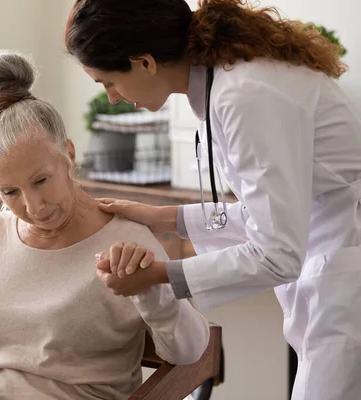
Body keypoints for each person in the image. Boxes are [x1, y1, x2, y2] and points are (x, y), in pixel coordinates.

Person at [64, 0, 361, 399]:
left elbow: (276, 253)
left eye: (107, 82)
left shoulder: (244, 96)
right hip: (332, 249)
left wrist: (161, 275)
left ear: (145, 62)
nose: (113, 97)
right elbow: (270, 216)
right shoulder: (227, 86)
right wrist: (161, 217)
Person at [0, 50, 210, 400]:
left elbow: (192, 351)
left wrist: (150, 291)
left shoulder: (127, 240)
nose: (33, 206)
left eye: (41, 180)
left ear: (69, 155)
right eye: (10, 192)